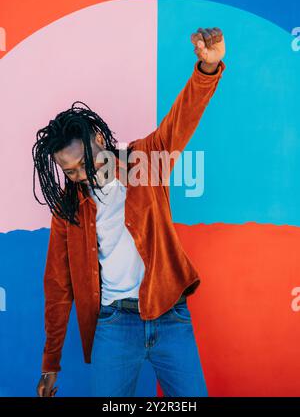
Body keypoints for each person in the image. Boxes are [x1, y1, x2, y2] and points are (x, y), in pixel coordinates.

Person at [34, 27, 226, 397]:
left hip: (169, 315)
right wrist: (50, 361)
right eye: (68, 170)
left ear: (100, 141)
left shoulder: (144, 161)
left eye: (81, 163)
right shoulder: (69, 207)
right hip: (114, 323)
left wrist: (207, 69)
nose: (77, 175)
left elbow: (180, 122)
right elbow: (58, 285)